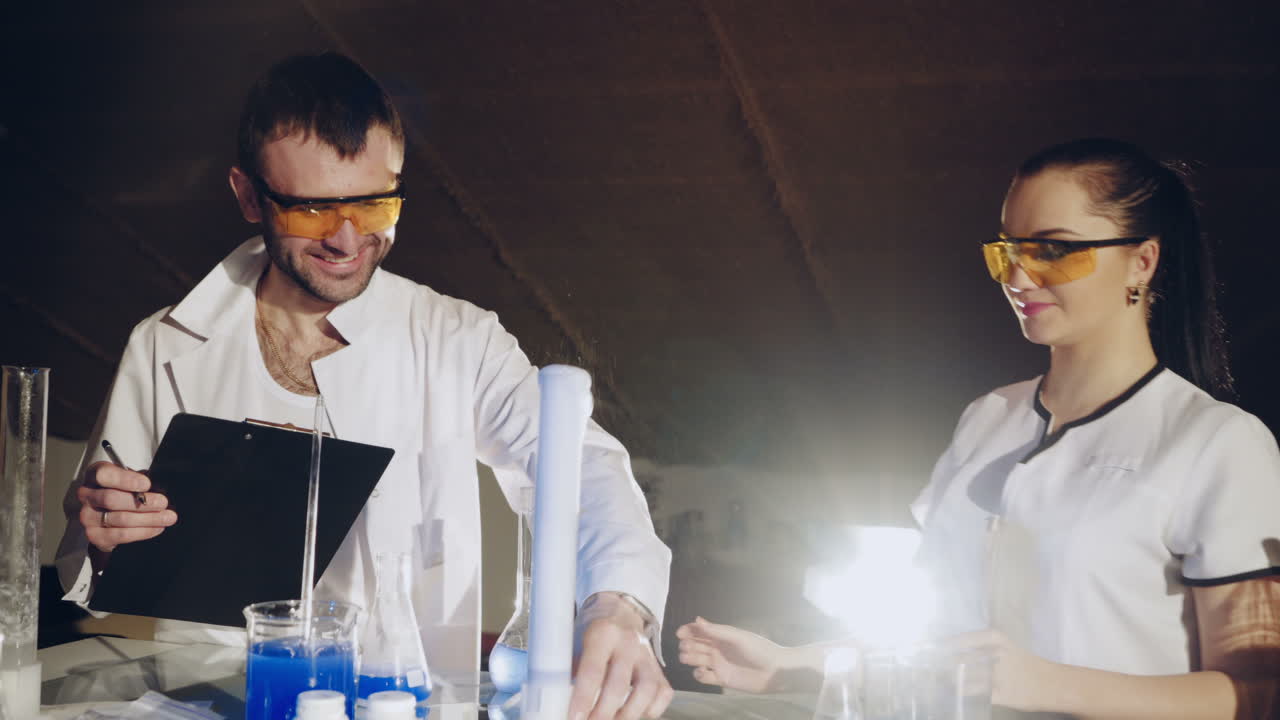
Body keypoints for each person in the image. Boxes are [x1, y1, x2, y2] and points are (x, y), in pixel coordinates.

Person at [54, 52, 674, 720]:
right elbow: (91, 568)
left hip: (405, 703)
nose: (347, 240)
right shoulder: (165, 346)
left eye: (374, 205)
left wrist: (619, 607)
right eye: (311, 209)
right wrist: (104, 537)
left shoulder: (455, 338)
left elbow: (579, 464)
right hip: (214, 701)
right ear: (248, 196)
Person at [677, 138, 1280, 718]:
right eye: (1008, 250)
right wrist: (791, 665)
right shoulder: (989, 418)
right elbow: (942, 642)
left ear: (1142, 261)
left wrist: (1049, 685)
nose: (1019, 277)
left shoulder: (1217, 443)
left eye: (1055, 249)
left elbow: (1258, 693)